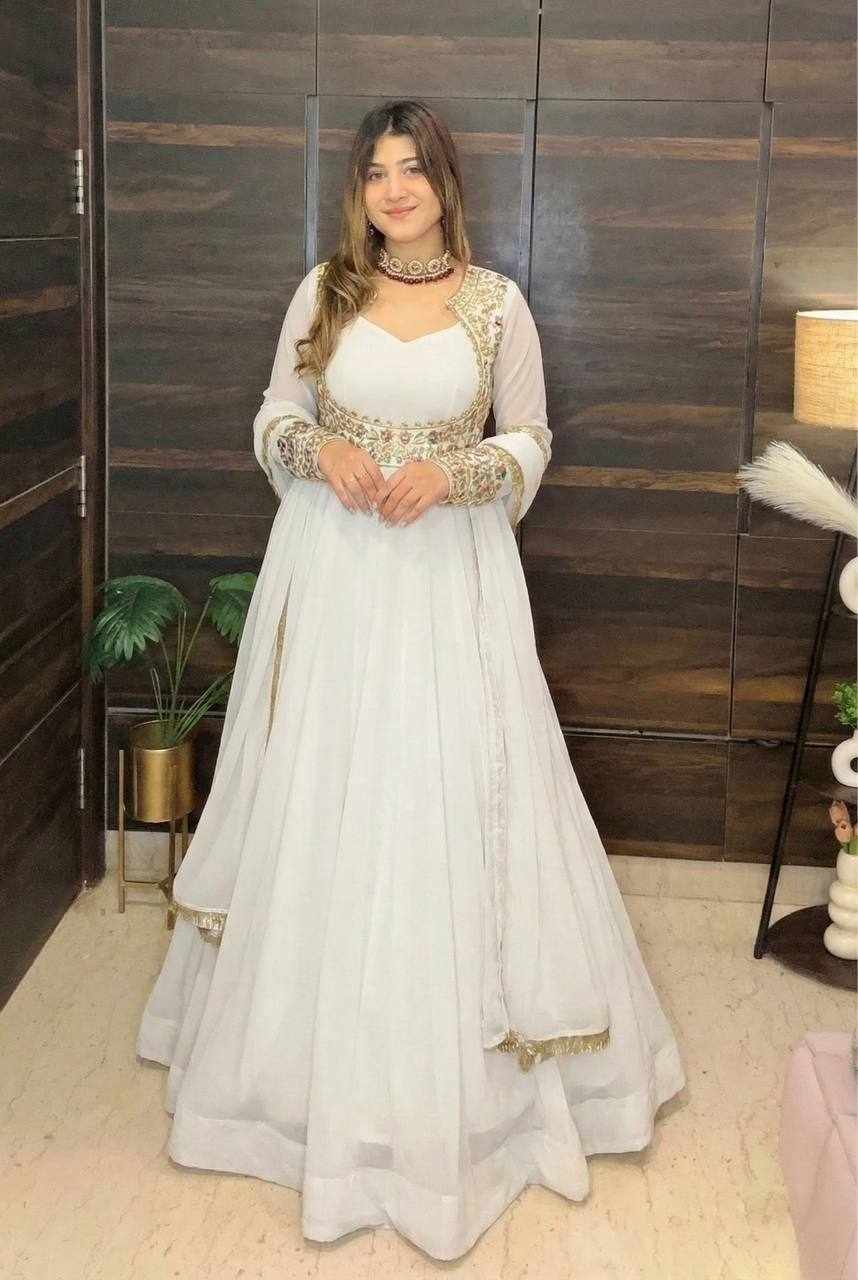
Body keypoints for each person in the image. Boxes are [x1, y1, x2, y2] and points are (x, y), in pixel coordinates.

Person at [136, 98, 686, 1262]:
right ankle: (291, 1079)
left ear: (443, 182)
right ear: (361, 190)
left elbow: (532, 436)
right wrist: (317, 448)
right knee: (328, 784)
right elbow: (274, 411)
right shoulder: (325, 292)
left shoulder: (496, 304)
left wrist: (460, 474)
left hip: (449, 577)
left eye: (412, 169)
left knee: (446, 788)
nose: (394, 189)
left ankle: (469, 1085)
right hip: (333, 567)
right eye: (376, 172)